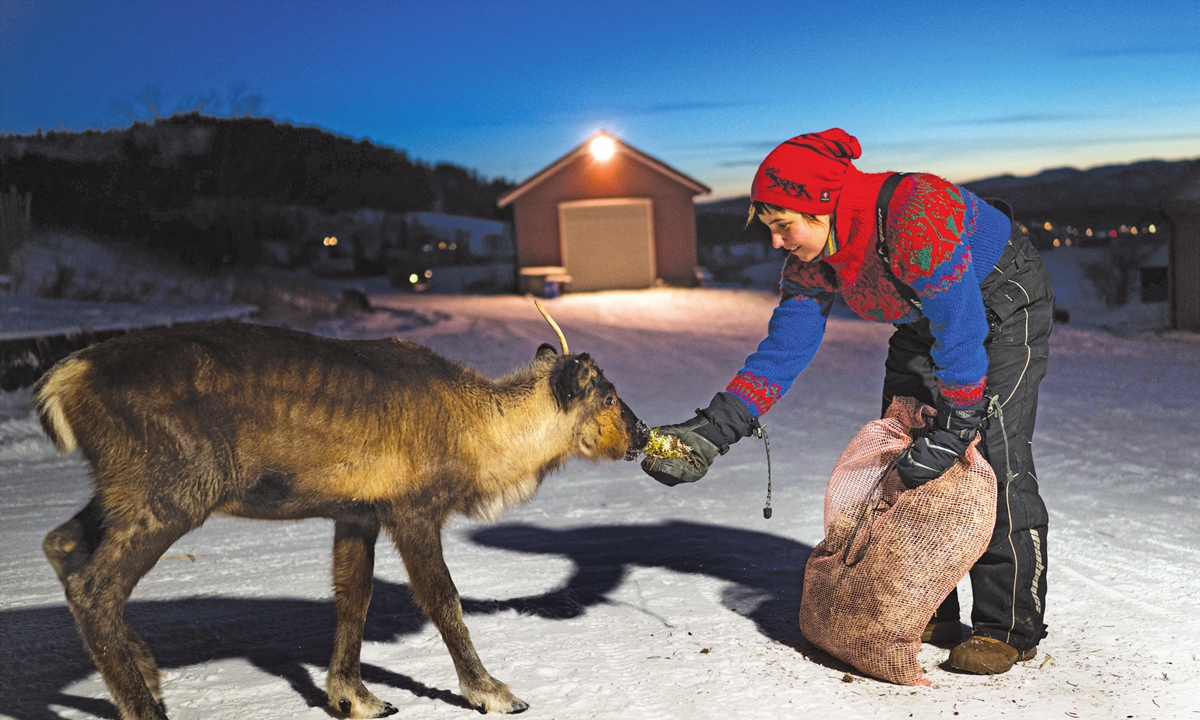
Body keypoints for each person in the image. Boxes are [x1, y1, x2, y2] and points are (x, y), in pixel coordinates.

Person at [641, 129, 1053, 675]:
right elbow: (784, 348)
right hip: (922, 316)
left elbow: (961, 326)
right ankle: (931, 606)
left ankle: (1008, 627)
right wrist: (716, 428)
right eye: (769, 229)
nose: (776, 243)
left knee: (990, 458)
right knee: (899, 454)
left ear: (822, 207)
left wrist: (956, 428)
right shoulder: (813, 260)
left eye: (782, 226)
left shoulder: (915, 215)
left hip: (998, 303)